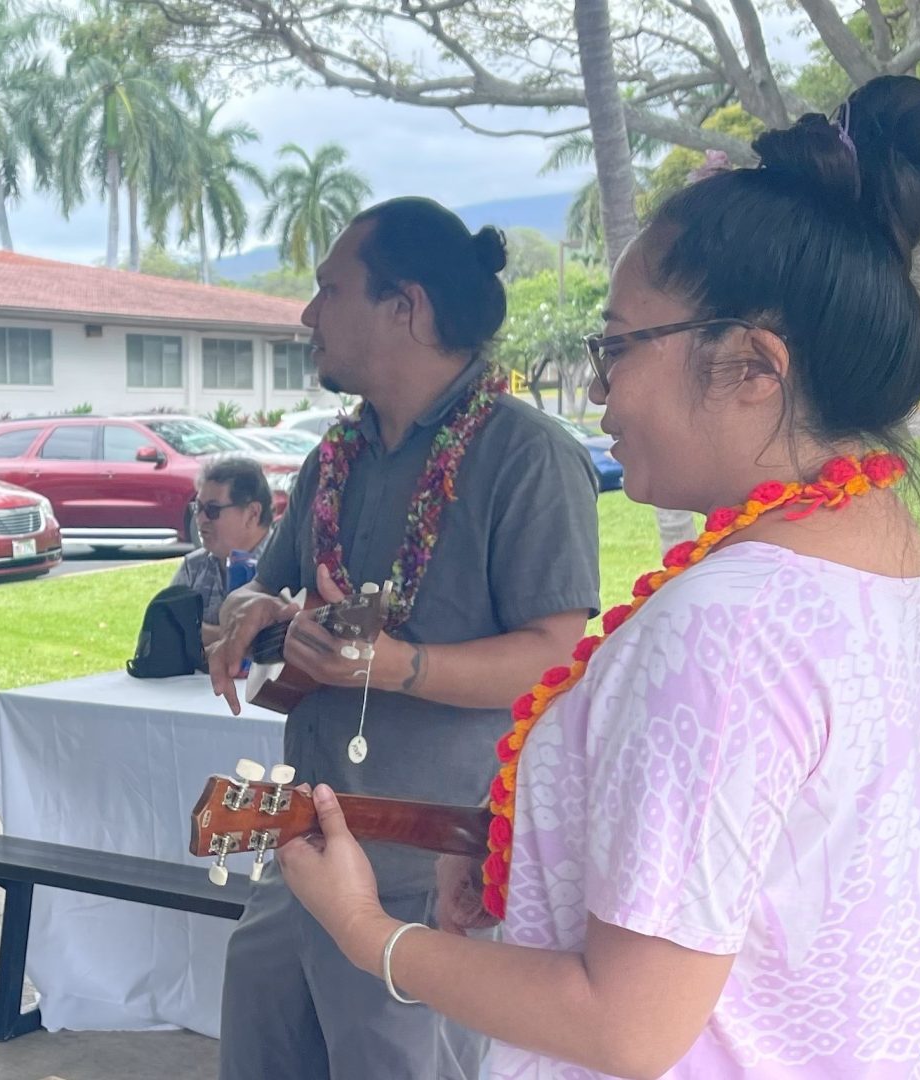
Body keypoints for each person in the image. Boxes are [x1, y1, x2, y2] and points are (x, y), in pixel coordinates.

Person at [276, 75, 920, 1078]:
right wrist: (526, 848)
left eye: (617, 348)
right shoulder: (881, 551)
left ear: (753, 367)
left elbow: (625, 1027)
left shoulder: (724, 625)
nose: (599, 395)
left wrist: (365, 930)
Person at [208, 199, 601, 1079]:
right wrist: (250, 610)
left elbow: (555, 656)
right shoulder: (334, 458)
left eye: (329, 290)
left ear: (406, 307)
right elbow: (274, 584)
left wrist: (401, 667)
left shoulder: (525, 455)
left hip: (433, 870)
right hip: (304, 846)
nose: (307, 314)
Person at [170, 456, 276, 656]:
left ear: (252, 514)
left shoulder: (284, 565)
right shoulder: (194, 567)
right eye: (198, 508)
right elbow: (167, 634)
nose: (200, 519)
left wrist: (200, 633)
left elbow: (280, 645)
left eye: (212, 509)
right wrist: (241, 638)